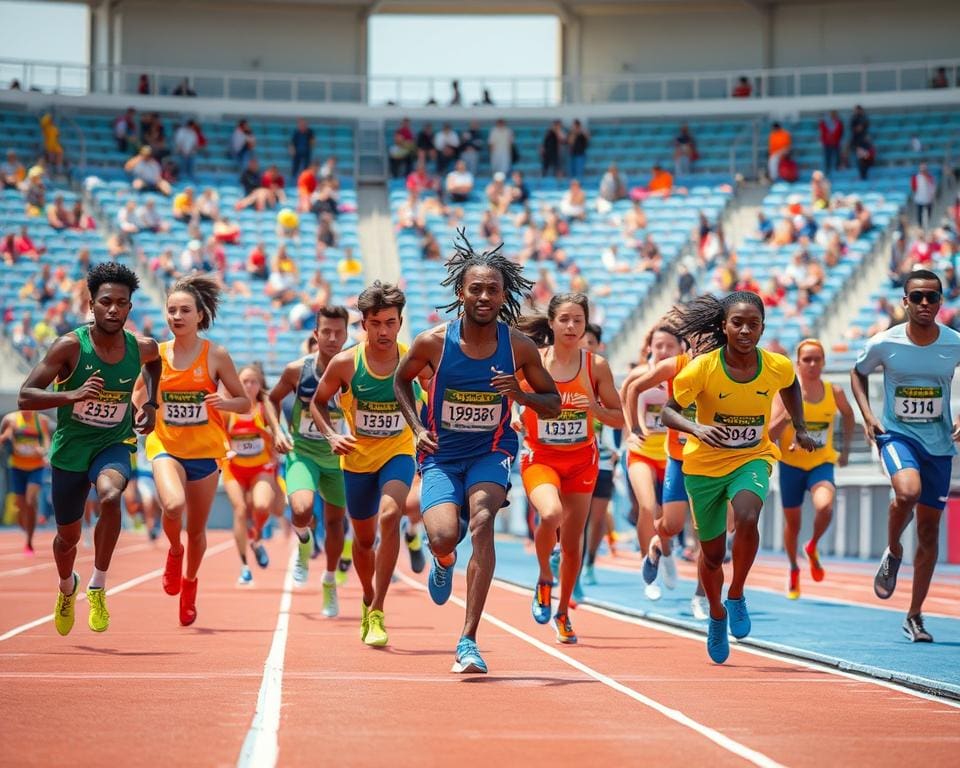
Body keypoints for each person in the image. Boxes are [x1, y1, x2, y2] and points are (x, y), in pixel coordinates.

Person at [394, 234, 561, 673]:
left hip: (491, 450)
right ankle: (443, 560)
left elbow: (554, 402)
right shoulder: (433, 342)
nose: (484, 296)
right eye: (476, 288)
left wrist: (520, 396)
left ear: (504, 295)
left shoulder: (518, 347)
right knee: (445, 536)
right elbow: (400, 381)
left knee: (484, 522)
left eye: (492, 289)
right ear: (460, 293)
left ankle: (468, 639)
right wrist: (416, 429)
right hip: (442, 457)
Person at [661, 292, 815, 664]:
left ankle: (737, 594)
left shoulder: (776, 365)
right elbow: (668, 412)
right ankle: (716, 613)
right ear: (724, 326)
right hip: (704, 468)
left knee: (747, 515)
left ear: (762, 327)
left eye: (753, 324)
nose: (745, 330)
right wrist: (696, 427)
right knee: (711, 556)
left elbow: (791, 384)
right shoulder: (702, 368)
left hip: (752, 457)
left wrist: (800, 426)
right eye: (737, 323)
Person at [17, 263, 162, 635]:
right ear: (92, 304)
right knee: (68, 538)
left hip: (113, 442)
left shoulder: (141, 347)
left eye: (121, 303)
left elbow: (156, 363)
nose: (113, 309)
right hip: (70, 451)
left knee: (111, 495)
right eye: (106, 302)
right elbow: (25, 397)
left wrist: (150, 405)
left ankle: (97, 583)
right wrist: (73, 394)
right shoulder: (69, 346)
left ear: (130, 308)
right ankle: (68, 587)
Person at [850, 269, 960, 643]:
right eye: (917, 297)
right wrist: (867, 417)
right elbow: (857, 372)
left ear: (941, 302)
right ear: (905, 302)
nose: (925, 303)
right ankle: (894, 548)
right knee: (907, 491)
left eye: (932, 297)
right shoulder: (885, 343)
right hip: (897, 436)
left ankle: (914, 615)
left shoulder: (954, 343)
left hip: (940, 445)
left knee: (929, 532)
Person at [310, 282, 423, 647]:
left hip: (398, 453)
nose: (384, 331)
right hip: (357, 460)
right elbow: (317, 403)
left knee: (391, 515)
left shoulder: (413, 361)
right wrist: (330, 435)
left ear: (400, 323)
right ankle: (365, 595)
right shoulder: (346, 363)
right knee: (362, 541)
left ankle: (377, 609)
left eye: (390, 323)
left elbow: (435, 397)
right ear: (364, 325)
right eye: (376, 323)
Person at [138, 275, 250, 626]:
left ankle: (189, 584)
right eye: (171, 310)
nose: (177, 316)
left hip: (204, 450)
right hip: (166, 445)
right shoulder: (155, 353)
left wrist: (224, 402)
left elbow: (245, 402)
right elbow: (137, 392)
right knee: (172, 505)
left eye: (185, 310)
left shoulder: (215, 355)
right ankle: (174, 552)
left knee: (197, 531)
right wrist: (139, 411)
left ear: (200, 316)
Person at [515, 294, 623, 643]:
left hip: (581, 462)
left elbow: (620, 417)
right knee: (551, 514)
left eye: (578, 319)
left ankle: (562, 613)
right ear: (551, 323)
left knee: (573, 542)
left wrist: (592, 407)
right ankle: (545, 576)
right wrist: (517, 417)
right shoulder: (533, 362)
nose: (571, 326)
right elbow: (511, 398)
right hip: (541, 458)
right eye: (564, 319)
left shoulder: (597, 367)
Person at [268, 306, 349, 617]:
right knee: (301, 511)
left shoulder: (355, 368)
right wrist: (277, 430)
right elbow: (271, 398)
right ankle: (303, 543)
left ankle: (329, 581)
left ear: (346, 335)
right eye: (325, 332)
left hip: (340, 460)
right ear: (316, 334)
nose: (331, 338)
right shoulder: (297, 370)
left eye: (337, 332)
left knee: (335, 523)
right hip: (303, 453)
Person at [769, 339, 854, 599]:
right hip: (791, 466)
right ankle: (794, 568)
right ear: (797, 364)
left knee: (824, 506)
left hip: (821, 462)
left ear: (824, 362)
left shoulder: (834, 392)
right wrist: (789, 415)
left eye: (817, 359)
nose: (812, 364)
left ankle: (813, 545)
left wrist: (846, 450)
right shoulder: (783, 394)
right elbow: (770, 433)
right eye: (807, 359)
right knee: (792, 525)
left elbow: (849, 416)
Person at [620, 324, 685, 600]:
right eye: (658, 345)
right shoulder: (638, 375)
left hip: (673, 455)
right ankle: (649, 568)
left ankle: (666, 553)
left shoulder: (685, 375)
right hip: (643, 453)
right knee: (647, 507)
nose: (662, 351)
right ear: (649, 347)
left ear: (680, 348)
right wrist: (631, 431)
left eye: (669, 346)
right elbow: (625, 402)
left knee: (668, 519)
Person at [223, 364, 286, 586]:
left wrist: (264, 433)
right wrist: (224, 448)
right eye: (244, 381)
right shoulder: (229, 410)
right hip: (235, 469)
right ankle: (244, 566)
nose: (248, 386)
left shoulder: (264, 408)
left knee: (261, 506)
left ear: (260, 386)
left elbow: (278, 436)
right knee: (240, 509)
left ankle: (256, 536)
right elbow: (219, 435)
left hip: (261, 468)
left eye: (253, 382)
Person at [0, 409, 52, 554]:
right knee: (21, 505)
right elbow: (6, 435)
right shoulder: (11, 419)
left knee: (30, 500)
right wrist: (4, 438)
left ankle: (29, 541)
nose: (27, 411)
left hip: (36, 467)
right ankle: (27, 527)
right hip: (17, 467)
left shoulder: (41, 420)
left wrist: (44, 451)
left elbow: (46, 439)